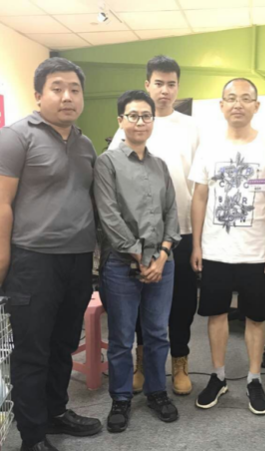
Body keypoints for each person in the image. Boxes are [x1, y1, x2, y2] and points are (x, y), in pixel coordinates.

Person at [0, 57, 102, 451]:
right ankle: (32, 436)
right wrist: (3, 260)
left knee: (63, 344)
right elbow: (0, 203)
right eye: (57, 88)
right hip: (34, 262)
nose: (67, 96)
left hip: (78, 260)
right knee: (32, 351)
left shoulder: (85, 144)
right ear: (38, 95)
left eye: (74, 89)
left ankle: (55, 412)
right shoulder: (15, 136)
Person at [189, 77, 265, 415]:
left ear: (256, 106)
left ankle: (254, 379)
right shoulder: (209, 146)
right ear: (221, 105)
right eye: (231, 98)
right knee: (216, 314)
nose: (237, 104)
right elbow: (200, 197)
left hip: (257, 251)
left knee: (256, 317)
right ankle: (218, 376)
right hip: (215, 250)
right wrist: (196, 244)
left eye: (245, 98)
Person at [109, 55, 199, 396]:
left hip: (182, 230)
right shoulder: (130, 124)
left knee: (182, 304)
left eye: (171, 84)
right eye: (158, 83)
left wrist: (198, 237)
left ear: (178, 87)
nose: (164, 90)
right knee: (141, 304)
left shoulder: (192, 127)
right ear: (147, 85)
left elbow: (200, 184)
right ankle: (143, 363)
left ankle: (180, 362)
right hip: (141, 236)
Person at [94, 90, 181, 433]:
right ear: (121, 120)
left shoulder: (160, 165)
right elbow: (109, 216)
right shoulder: (107, 163)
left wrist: (163, 255)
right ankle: (121, 398)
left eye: (146, 116)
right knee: (121, 337)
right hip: (121, 264)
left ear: (152, 121)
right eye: (133, 115)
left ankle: (157, 392)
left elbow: (172, 212)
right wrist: (140, 256)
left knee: (157, 333)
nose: (140, 122)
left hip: (162, 263)